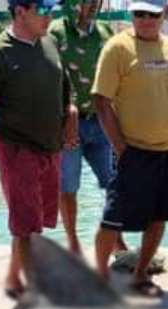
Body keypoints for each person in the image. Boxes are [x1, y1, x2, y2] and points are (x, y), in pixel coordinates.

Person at [0, 0, 74, 300]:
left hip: (50, 147)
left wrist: (69, 113)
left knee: (34, 222)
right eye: (42, 10)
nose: (50, 16)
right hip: (17, 149)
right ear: (20, 12)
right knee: (27, 226)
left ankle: (14, 279)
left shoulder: (51, 42)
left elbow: (63, 83)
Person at [91, 0, 168, 297]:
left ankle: (139, 273)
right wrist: (121, 148)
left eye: (152, 14)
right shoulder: (117, 48)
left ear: (165, 16)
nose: (145, 19)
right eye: (139, 13)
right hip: (131, 150)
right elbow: (101, 101)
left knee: (160, 216)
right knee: (112, 218)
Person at [49, 0, 126, 256]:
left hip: (102, 120)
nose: (91, 5)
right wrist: (64, 110)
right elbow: (48, 77)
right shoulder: (55, 32)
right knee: (68, 187)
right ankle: (73, 243)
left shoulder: (105, 32)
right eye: (85, 0)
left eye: (96, 0)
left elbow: (118, 75)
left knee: (115, 183)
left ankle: (116, 239)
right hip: (67, 125)